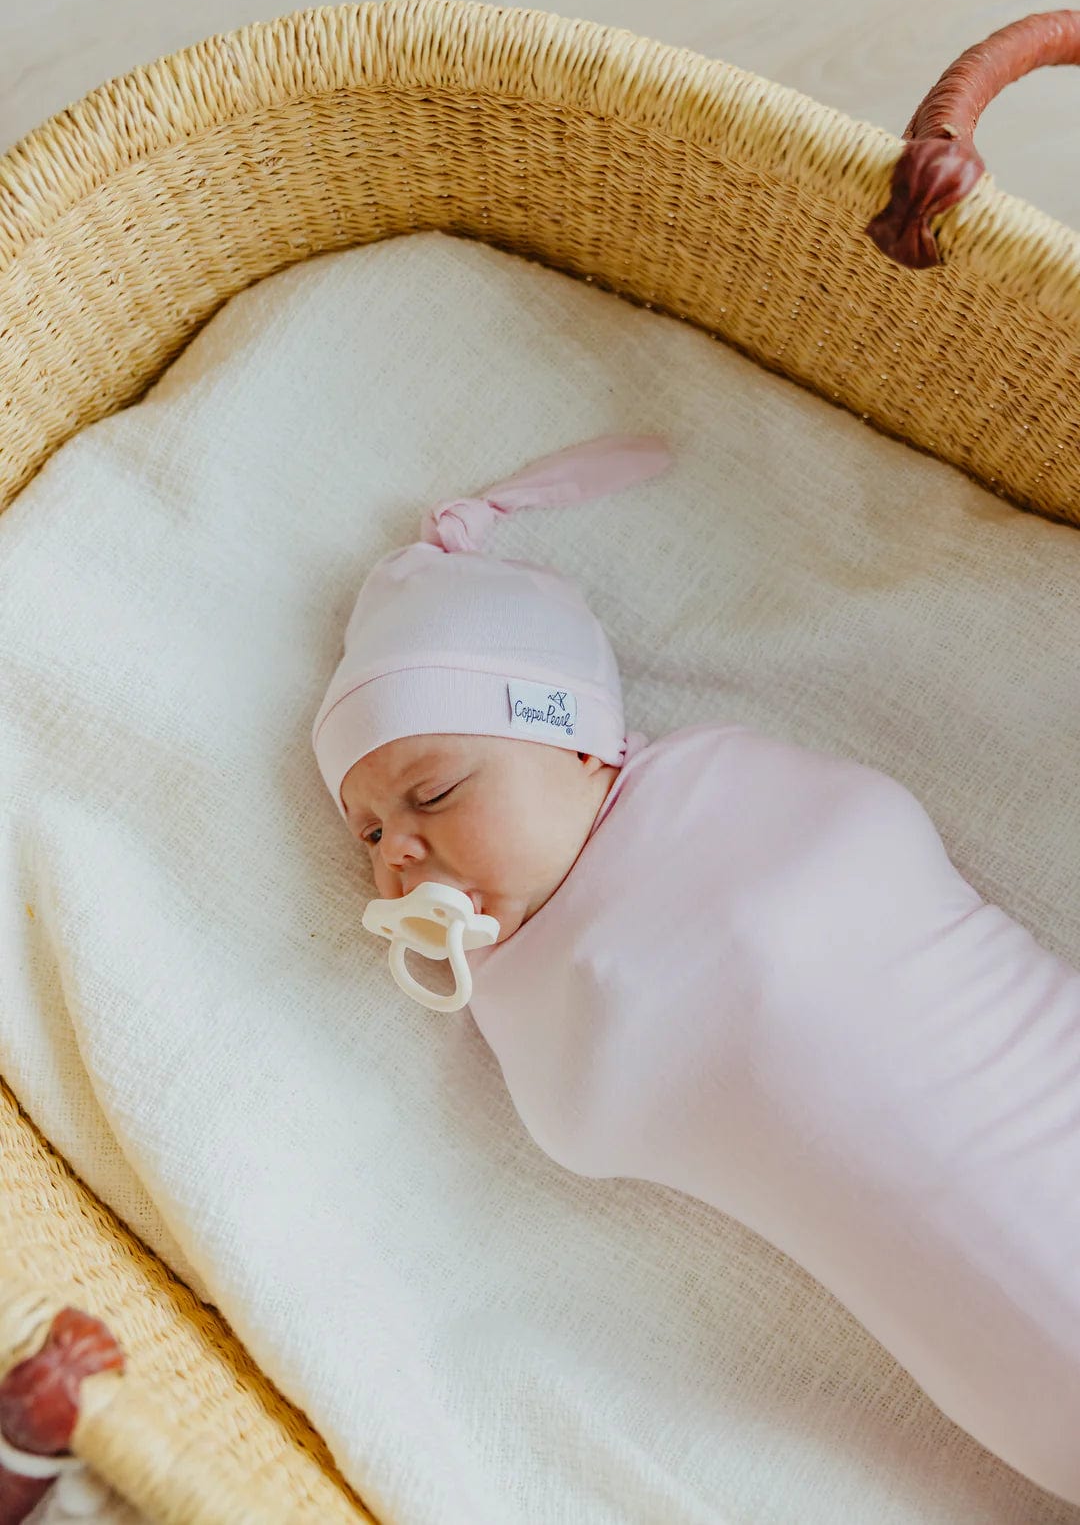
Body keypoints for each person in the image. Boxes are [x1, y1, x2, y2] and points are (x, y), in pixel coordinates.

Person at [313, 434, 1080, 1508]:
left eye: (433, 795)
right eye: (368, 833)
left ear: (580, 742)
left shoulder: (720, 794)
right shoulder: (510, 991)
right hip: (996, 1359)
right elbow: (598, 1116)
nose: (397, 850)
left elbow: (846, 874)